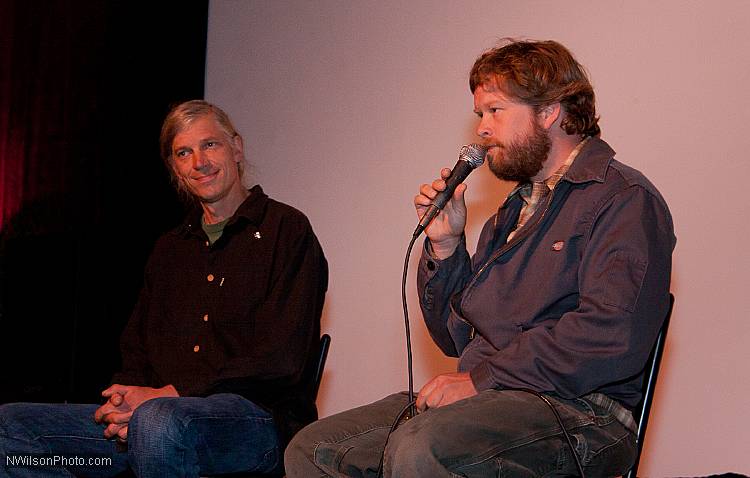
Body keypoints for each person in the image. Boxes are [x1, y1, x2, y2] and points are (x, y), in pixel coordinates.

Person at [285, 39, 675, 477]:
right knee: (314, 448)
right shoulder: (508, 216)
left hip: (584, 414)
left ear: (548, 112)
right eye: (479, 116)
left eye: (495, 111)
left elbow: (611, 334)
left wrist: (481, 380)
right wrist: (446, 247)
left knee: (424, 446)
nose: (483, 130)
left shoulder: (622, 199)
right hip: (494, 400)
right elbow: (457, 339)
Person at [0, 100, 328, 477]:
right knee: (11, 427)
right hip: (151, 425)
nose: (198, 162)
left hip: (253, 426)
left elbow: (281, 359)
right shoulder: (170, 249)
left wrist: (167, 395)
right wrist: (125, 401)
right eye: (183, 153)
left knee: (159, 420)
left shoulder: (286, 231)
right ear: (175, 168)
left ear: (236, 148)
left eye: (210, 145)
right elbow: (136, 349)